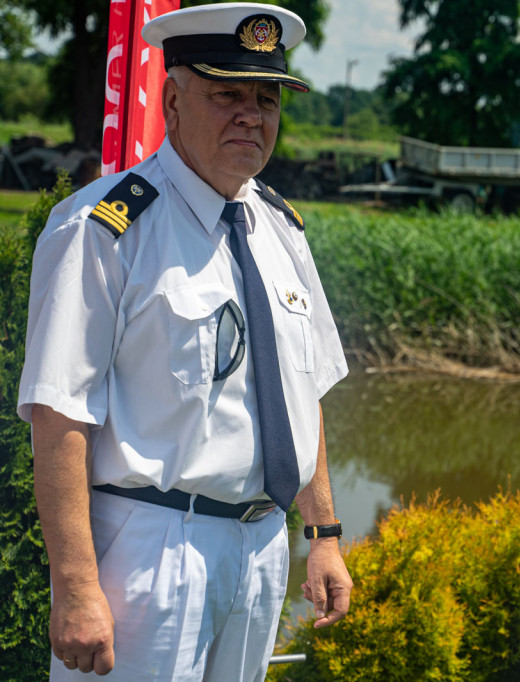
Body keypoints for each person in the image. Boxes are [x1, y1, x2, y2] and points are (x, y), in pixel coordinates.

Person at [17, 3, 353, 679]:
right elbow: (59, 417)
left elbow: (302, 390)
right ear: (170, 99)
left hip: (261, 549)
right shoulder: (104, 228)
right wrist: (76, 587)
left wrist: (323, 535)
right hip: (153, 550)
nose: (250, 116)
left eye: (266, 98)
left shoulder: (282, 229)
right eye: (226, 93)